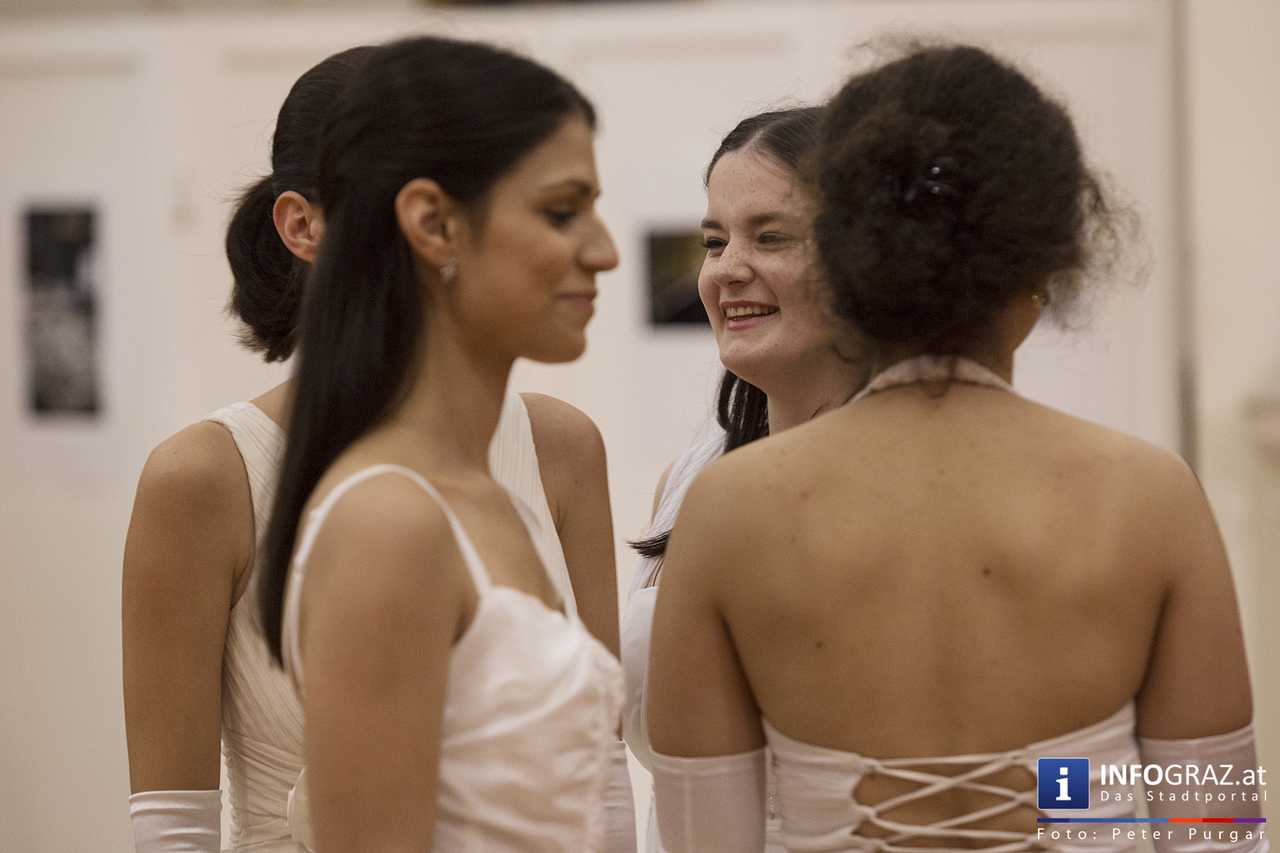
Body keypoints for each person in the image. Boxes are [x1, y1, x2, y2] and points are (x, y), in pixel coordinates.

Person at [646, 44, 1266, 853]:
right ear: (1044, 263)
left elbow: (705, 841)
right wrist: (1058, 792)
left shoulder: (729, 507)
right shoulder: (1148, 494)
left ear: (844, 257)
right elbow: (1210, 824)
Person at [122, 43, 631, 853]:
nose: (605, 250)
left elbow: (596, 779)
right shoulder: (239, 482)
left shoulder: (559, 448)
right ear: (428, 222)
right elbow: (171, 825)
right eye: (561, 211)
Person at [621, 106, 865, 853]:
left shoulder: (925, 473)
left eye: (771, 235)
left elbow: (1095, 785)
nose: (727, 268)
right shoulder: (689, 478)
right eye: (714, 241)